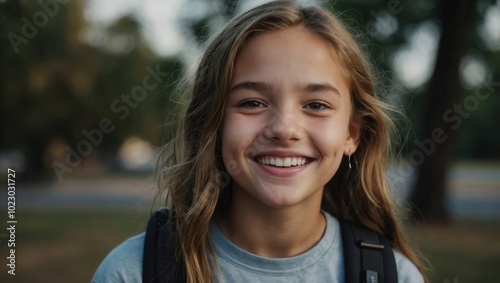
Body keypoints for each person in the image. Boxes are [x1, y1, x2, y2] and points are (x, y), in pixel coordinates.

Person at [92, 1, 428, 282]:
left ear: (352, 134)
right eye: (252, 102)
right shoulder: (132, 272)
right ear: (214, 124)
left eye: (316, 105)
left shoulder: (394, 276)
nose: (284, 129)